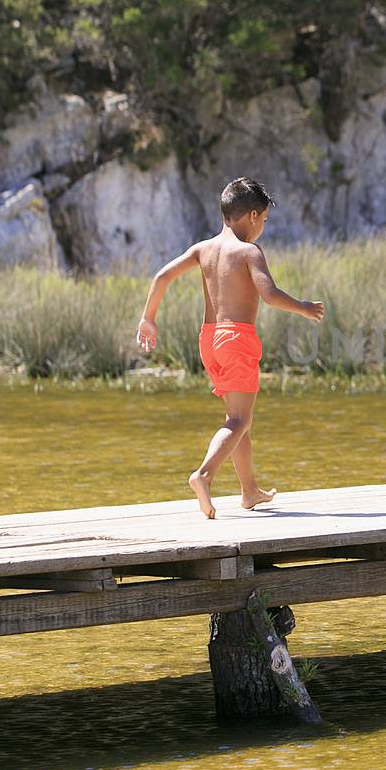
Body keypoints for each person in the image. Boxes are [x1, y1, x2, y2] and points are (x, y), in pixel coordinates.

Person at [137, 178, 324, 518]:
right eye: (265, 219)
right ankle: (204, 475)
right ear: (253, 215)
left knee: (237, 419)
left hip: (209, 339)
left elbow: (161, 277)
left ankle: (249, 491)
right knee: (240, 419)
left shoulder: (203, 249)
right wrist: (303, 307)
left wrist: (148, 318)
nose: (263, 226)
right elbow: (269, 294)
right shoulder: (249, 251)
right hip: (237, 339)